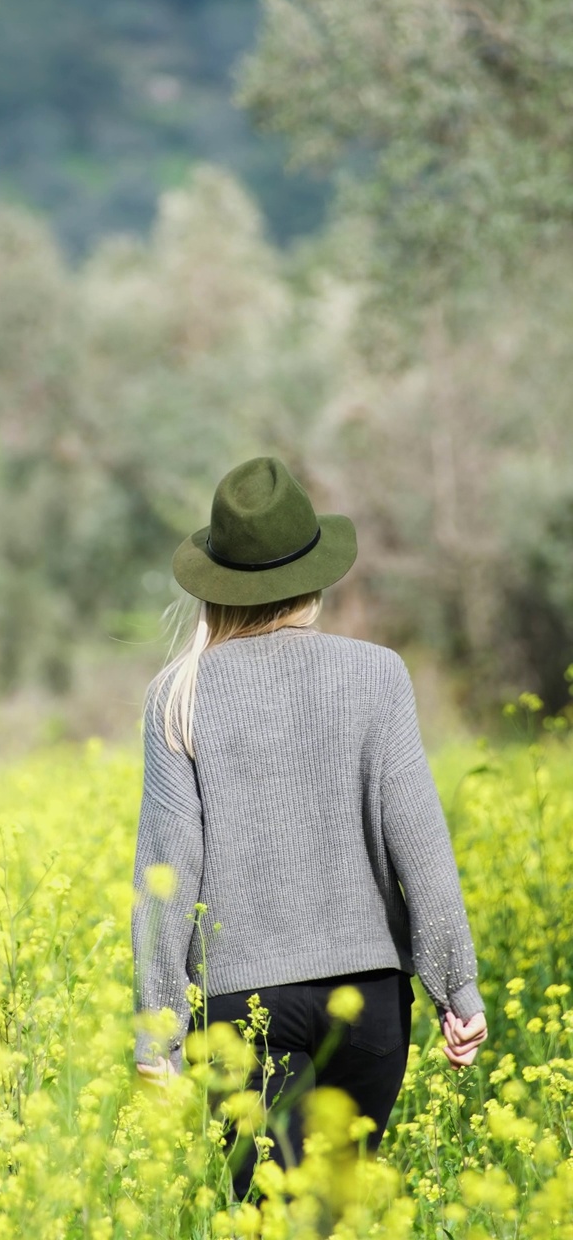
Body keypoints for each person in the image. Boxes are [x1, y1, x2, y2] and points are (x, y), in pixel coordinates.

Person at [130, 455, 487, 1202]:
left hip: (239, 1007)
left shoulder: (178, 696)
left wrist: (155, 1034)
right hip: (369, 1000)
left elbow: (167, 874)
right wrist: (457, 987)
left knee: (271, 1216)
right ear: (314, 576)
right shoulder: (379, 674)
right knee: (339, 1214)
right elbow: (418, 843)